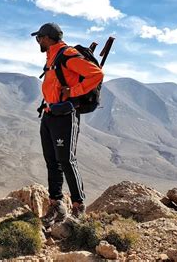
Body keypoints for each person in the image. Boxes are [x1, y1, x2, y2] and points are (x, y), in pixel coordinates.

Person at [31, 23, 103, 225]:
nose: (38, 42)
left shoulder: (67, 54)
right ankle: (57, 206)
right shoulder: (52, 57)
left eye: (39, 38)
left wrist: (74, 91)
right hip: (49, 113)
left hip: (65, 115)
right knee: (51, 160)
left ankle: (79, 207)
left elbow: (96, 74)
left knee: (66, 160)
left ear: (48, 37)